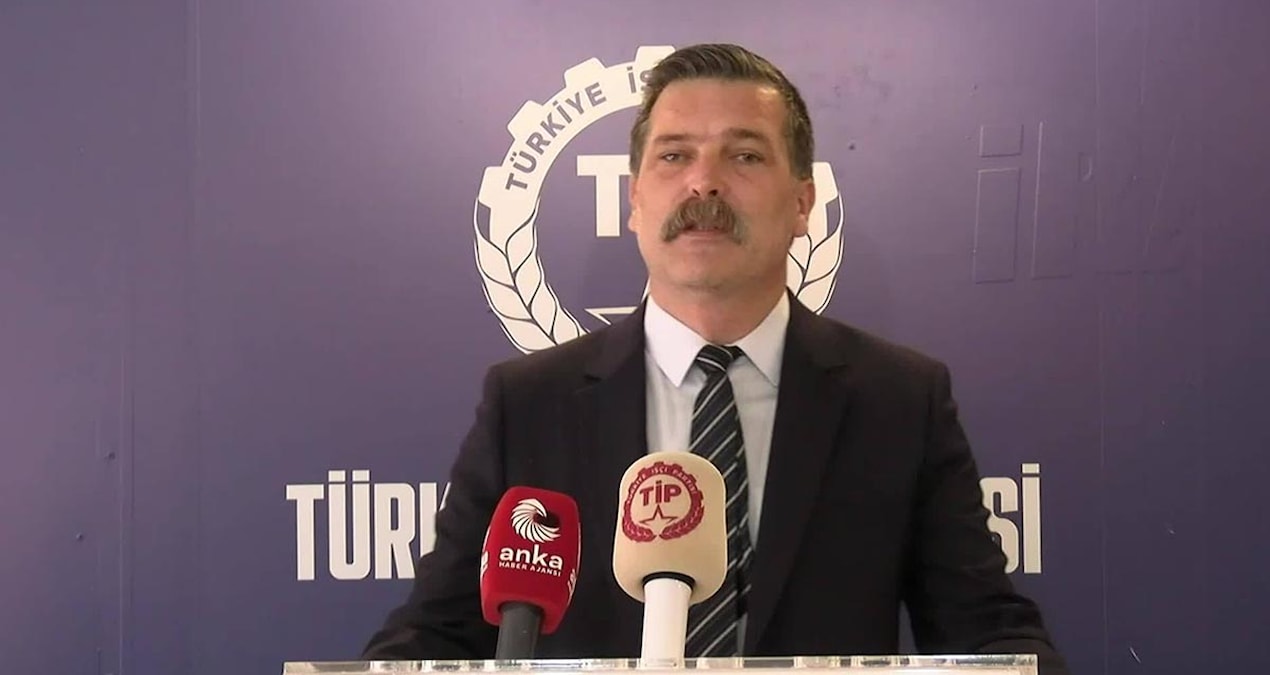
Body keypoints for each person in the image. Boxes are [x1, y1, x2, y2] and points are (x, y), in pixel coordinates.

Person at [363, 43, 1069, 674]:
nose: (703, 183)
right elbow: (434, 637)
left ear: (803, 203)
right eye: (674, 156)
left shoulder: (900, 400)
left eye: (745, 155)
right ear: (635, 199)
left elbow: (987, 632)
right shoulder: (528, 404)